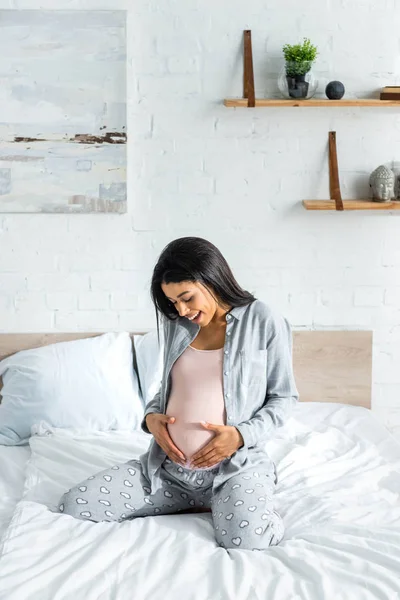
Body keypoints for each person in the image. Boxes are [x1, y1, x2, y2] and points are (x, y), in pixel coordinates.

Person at [58, 237, 298, 551]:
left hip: (235, 467)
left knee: (248, 541)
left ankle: (238, 499)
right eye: (173, 302)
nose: (182, 310)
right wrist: (151, 418)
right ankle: (197, 501)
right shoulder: (178, 324)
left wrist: (240, 435)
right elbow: (169, 387)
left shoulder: (263, 319)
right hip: (169, 471)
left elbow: (284, 397)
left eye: (187, 298)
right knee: (76, 504)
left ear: (212, 280)